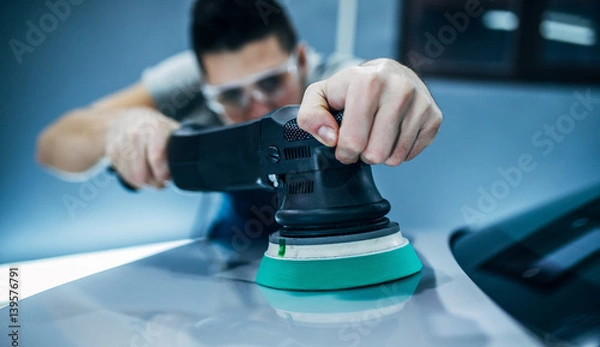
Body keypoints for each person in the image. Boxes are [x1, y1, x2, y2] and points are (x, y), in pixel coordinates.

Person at [36, 0, 442, 240]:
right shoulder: (188, 82)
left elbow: (372, 79)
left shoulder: (331, 78)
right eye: (230, 95)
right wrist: (118, 127)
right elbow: (53, 145)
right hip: (229, 247)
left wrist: (393, 78)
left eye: (271, 82)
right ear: (204, 82)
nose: (256, 106)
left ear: (301, 60)